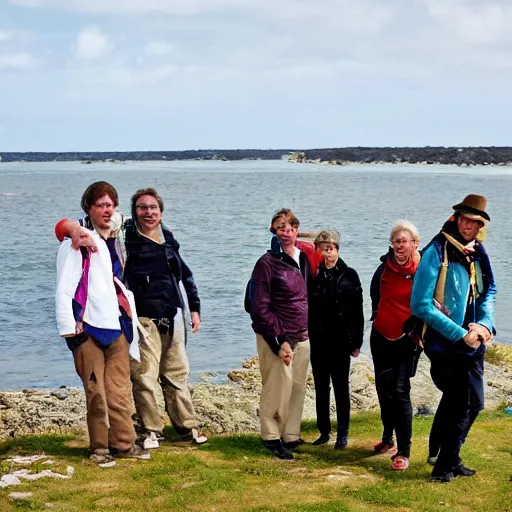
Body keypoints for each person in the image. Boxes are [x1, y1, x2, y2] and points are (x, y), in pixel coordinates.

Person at [55, 181, 150, 464]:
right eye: (100, 205)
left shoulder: (116, 233)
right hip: (87, 327)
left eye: (110, 205)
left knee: (119, 390)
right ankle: (99, 448)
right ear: (89, 208)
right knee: (96, 391)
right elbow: (64, 287)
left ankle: (124, 443)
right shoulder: (76, 242)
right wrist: (69, 328)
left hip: (117, 324)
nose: (106, 210)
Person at [411, 194, 496, 482]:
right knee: (462, 402)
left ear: (480, 225)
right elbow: (420, 305)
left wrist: (484, 324)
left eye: (473, 222)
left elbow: (489, 292)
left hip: (475, 343)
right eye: (463, 219)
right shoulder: (436, 251)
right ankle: (443, 467)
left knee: (472, 404)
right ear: (456, 218)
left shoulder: (477, 251)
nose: (467, 226)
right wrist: (461, 334)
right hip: (446, 346)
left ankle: (448, 454)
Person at [124, 188, 207, 449]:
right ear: (134, 211)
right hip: (144, 320)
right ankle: (151, 430)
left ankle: (186, 427)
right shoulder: (126, 239)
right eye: (142, 207)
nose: (148, 212)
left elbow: (185, 275)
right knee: (144, 378)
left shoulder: (168, 239)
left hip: (173, 316)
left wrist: (194, 308)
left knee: (177, 376)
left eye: (153, 208)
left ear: (161, 212)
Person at [249, 208, 312, 460]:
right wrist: (278, 341)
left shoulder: (303, 258)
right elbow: (259, 307)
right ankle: (271, 436)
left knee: (297, 387)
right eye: (280, 228)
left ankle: (291, 434)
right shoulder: (266, 263)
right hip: (276, 335)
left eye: (290, 227)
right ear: (273, 231)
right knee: (277, 387)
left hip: (302, 333)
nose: (285, 232)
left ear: (297, 230)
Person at [369, 221, 422, 471]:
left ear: (415, 243)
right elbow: (375, 297)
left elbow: (431, 304)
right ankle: (388, 439)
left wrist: (420, 331)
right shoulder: (384, 268)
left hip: (406, 340)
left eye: (405, 241)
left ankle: (404, 451)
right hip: (380, 335)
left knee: (400, 392)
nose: (400, 246)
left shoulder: (423, 270)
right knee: (383, 388)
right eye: (396, 241)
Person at [308, 230, 364, 450]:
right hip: (318, 341)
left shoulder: (349, 274)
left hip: (340, 341)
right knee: (321, 387)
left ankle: (342, 434)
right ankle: (324, 431)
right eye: (322, 249)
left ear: (337, 250)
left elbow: (357, 311)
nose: (326, 253)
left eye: (330, 248)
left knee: (341, 387)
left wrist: (356, 342)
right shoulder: (314, 275)